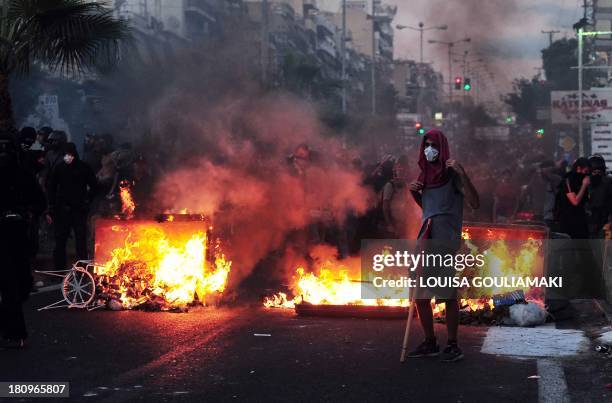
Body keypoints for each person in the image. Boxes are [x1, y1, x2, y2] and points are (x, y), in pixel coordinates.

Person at [407, 129, 479, 362]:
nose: (429, 149)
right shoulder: (424, 175)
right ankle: (430, 342)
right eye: (426, 144)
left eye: (434, 145)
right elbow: (429, 210)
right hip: (426, 239)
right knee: (420, 295)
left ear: (442, 147)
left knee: (447, 295)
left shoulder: (452, 175)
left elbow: (475, 203)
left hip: (445, 240)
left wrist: (463, 173)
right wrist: (414, 194)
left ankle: (453, 344)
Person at [0, 134, 45, 349]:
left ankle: (13, 329)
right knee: (8, 285)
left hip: (16, 237)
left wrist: (25, 212)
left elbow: (39, 201)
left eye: (6, 149)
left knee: (20, 285)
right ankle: (12, 331)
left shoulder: (22, 175)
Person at [46, 142, 97, 270]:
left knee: (80, 242)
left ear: (74, 154)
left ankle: (82, 270)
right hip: (62, 210)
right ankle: (59, 269)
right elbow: (51, 187)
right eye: (65, 154)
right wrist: (51, 205)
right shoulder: (59, 168)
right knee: (60, 241)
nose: (67, 157)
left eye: (70, 154)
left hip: (79, 210)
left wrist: (88, 201)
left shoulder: (84, 168)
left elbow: (94, 186)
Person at [555, 157, 591, 239]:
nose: (586, 175)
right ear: (578, 168)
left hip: (580, 221)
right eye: (585, 171)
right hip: (568, 222)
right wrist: (584, 185)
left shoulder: (580, 181)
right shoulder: (568, 180)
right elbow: (575, 202)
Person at [381, 155, 410, 238]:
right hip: (393, 222)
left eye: (403, 171)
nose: (401, 173)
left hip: (403, 222)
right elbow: (385, 206)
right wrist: (389, 223)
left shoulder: (405, 185)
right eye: (399, 171)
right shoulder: (390, 185)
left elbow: (407, 202)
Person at [587, 155, 612, 238]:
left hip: (604, 220)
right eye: (594, 172)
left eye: (599, 172)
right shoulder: (585, 183)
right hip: (588, 221)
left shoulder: (608, 183)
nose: (597, 174)